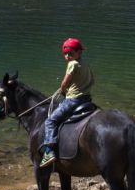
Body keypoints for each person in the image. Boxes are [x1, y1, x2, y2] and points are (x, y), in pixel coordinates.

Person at [38, 38, 95, 168]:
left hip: (73, 100)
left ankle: (49, 152)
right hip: (87, 99)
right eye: (66, 54)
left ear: (79, 52)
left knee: (50, 121)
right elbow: (92, 80)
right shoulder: (85, 64)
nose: (67, 56)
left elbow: (65, 83)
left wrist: (63, 90)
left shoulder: (72, 64)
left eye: (70, 53)